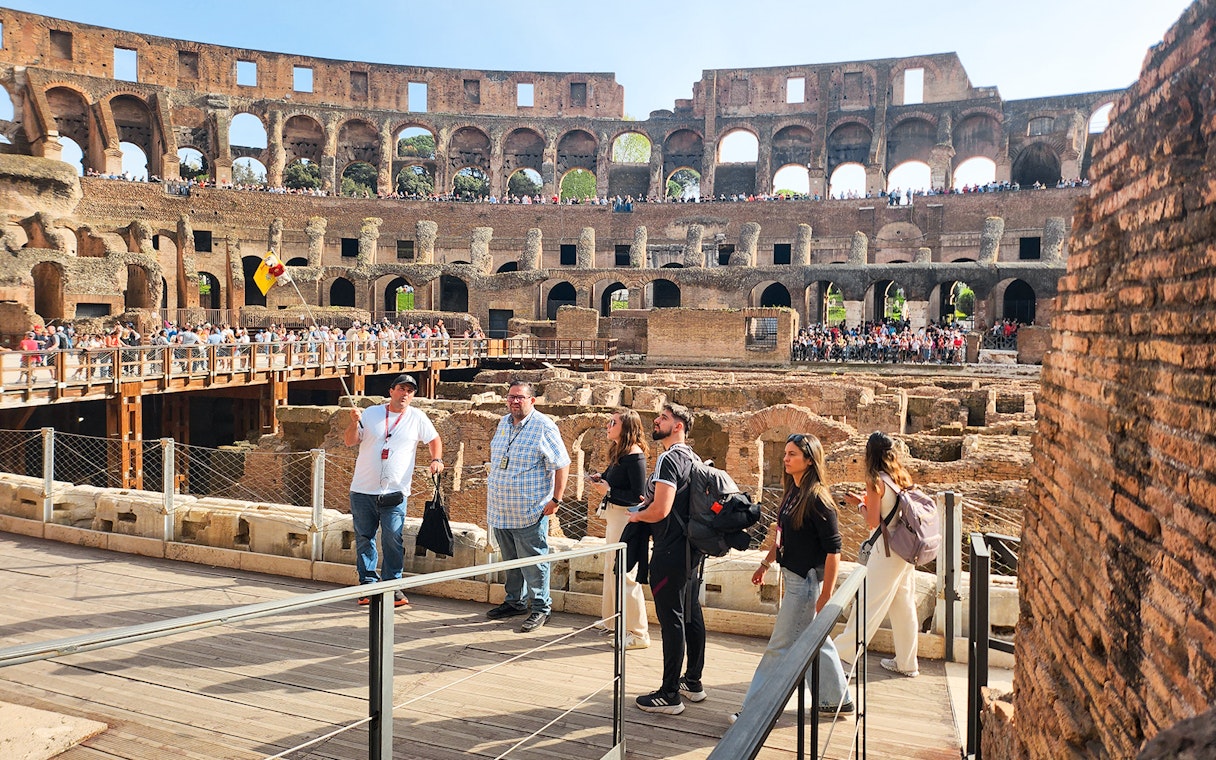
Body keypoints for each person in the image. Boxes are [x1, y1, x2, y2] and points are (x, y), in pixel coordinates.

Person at [730, 433, 852, 724]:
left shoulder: (818, 499)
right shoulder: (793, 492)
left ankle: (755, 711)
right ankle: (836, 699)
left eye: (792, 454)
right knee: (814, 641)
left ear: (809, 459)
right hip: (794, 578)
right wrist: (765, 563)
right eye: (785, 453)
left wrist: (826, 597)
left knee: (780, 647)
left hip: (805, 585)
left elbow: (834, 551)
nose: (785, 458)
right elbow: (782, 537)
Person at [628, 403, 705, 715]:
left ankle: (669, 693)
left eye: (663, 418)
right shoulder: (694, 458)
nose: (656, 421)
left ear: (678, 426)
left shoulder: (668, 458)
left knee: (672, 619)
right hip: (691, 550)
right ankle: (693, 682)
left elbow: (660, 510)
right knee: (691, 614)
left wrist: (636, 517)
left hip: (669, 550)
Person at [344, 374, 443, 608]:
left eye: (410, 390)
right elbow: (350, 441)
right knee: (364, 538)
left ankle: (391, 585)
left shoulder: (417, 417)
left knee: (393, 538)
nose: (405, 394)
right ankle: (368, 584)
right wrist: (352, 422)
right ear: (391, 391)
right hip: (363, 489)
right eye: (401, 389)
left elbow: (434, 439)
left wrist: (436, 459)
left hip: (395, 492)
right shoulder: (370, 413)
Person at [485, 380, 571, 633]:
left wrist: (556, 499)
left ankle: (541, 608)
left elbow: (562, 463)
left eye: (520, 397)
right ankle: (515, 602)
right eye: (511, 397)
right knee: (510, 561)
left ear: (532, 400)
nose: (514, 401)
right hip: (501, 509)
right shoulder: (503, 423)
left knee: (534, 561)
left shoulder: (544, 426)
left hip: (529, 510)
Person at [832, 431, 920, 677]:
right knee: (903, 606)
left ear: (870, 454)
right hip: (905, 549)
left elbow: (872, 520)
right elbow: (890, 506)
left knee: (867, 604)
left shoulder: (875, 480)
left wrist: (860, 504)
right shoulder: (900, 476)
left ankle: (842, 654)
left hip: (886, 549)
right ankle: (907, 663)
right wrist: (867, 500)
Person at [587, 409, 650, 650]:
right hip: (615, 517)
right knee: (610, 566)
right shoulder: (620, 453)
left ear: (626, 428)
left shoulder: (635, 457)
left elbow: (638, 495)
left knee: (625, 572)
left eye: (613, 422)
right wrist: (601, 478)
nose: (607, 425)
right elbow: (615, 478)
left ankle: (638, 633)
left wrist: (608, 491)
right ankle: (613, 620)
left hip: (625, 518)